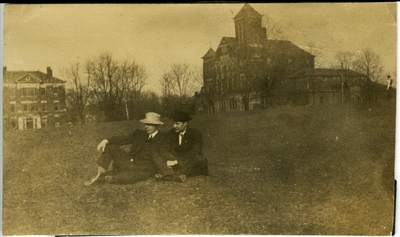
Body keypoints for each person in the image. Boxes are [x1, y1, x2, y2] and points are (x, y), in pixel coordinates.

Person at [84, 112, 185, 186]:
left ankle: (111, 177)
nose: (146, 127)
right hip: (130, 162)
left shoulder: (163, 138)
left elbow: (164, 153)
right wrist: (107, 140)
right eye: (145, 124)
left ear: (156, 125)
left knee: (126, 178)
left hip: (145, 168)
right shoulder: (139, 134)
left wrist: (172, 164)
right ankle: (99, 174)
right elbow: (123, 139)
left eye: (149, 124)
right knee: (111, 147)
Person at [161, 110, 209, 178]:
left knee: (200, 159)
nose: (174, 126)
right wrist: (170, 159)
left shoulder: (195, 133)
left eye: (177, 123)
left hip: (189, 160)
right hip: (176, 160)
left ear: (185, 123)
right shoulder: (171, 133)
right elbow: (165, 149)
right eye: (173, 123)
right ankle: (180, 173)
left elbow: (195, 151)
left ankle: (175, 174)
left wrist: (177, 161)